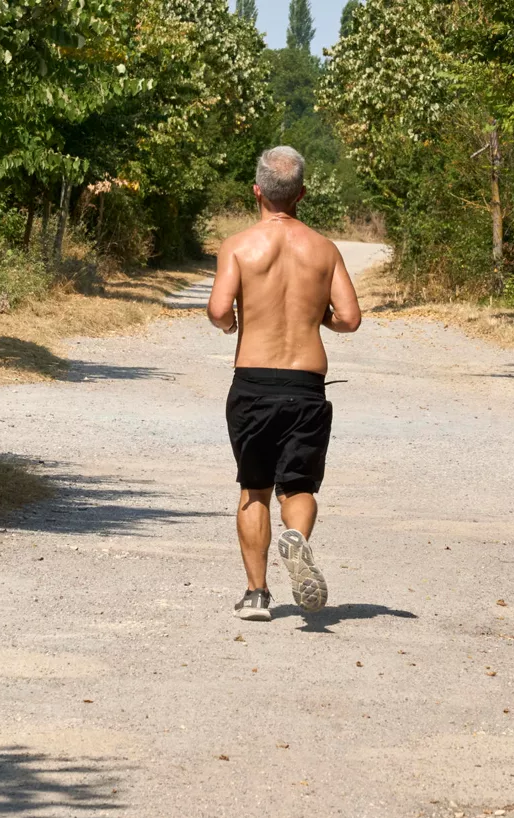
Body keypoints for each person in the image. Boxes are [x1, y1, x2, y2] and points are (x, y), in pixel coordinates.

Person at [207, 146, 362, 622]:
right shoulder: (324, 249)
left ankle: (256, 595)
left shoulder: (238, 245)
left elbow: (217, 310)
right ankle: (298, 542)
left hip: (253, 382)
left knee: (254, 489)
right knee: (298, 486)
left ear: (257, 191)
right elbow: (350, 318)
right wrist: (319, 319)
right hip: (306, 386)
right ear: (301, 194)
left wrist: (233, 325)